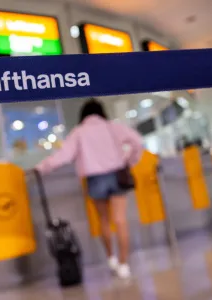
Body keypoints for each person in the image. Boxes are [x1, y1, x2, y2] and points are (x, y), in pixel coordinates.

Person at [35, 98, 143, 279]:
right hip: (117, 175)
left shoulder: (79, 132)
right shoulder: (112, 127)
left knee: (104, 221)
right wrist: (129, 160)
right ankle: (124, 265)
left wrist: (42, 167)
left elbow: (64, 155)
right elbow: (137, 142)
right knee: (120, 220)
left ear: (83, 115)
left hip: (95, 179)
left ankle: (111, 258)